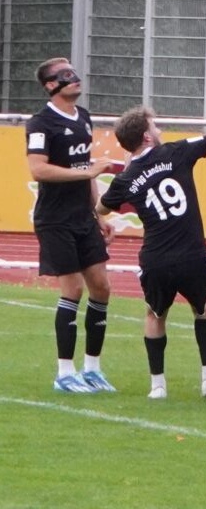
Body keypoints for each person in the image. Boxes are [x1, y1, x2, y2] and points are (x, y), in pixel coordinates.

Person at [95, 106, 206, 399]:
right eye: (155, 127)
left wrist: (105, 219)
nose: (159, 131)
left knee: (155, 314)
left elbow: (101, 208)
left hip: (157, 257)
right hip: (192, 252)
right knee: (203, 308)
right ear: (146, 137)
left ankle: (158, 386)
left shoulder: (125, 179)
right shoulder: (176, 152)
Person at [26, 57, 116, 393]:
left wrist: (99, 213)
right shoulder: (40, 124)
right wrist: (88, 172)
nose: (75, 79)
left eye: (73, 73)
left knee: (102, 287)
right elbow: (38, 169)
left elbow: (85, 166)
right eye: (65, 76)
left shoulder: (84, 118)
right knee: (73, 290)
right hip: (55, 219)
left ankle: (92, 368)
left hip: (82, 217)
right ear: (51, 86)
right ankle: (65, 373)